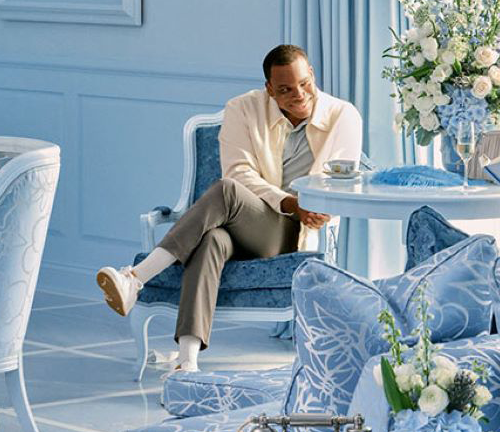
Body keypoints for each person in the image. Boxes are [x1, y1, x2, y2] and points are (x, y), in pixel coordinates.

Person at [95, 45, 364, 374]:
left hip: (294, 230)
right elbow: (239, 174)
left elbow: (340, 181)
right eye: (285, 89)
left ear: (312, 76)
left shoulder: (342, 116)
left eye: (304, 84)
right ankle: (187, 361)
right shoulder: (242, 108)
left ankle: (135, 278)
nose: (299, 95)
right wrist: (288, 200)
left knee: (224, 191)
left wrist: (318, 208)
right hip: (253, 219)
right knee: (212, 240)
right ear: (269, 89)